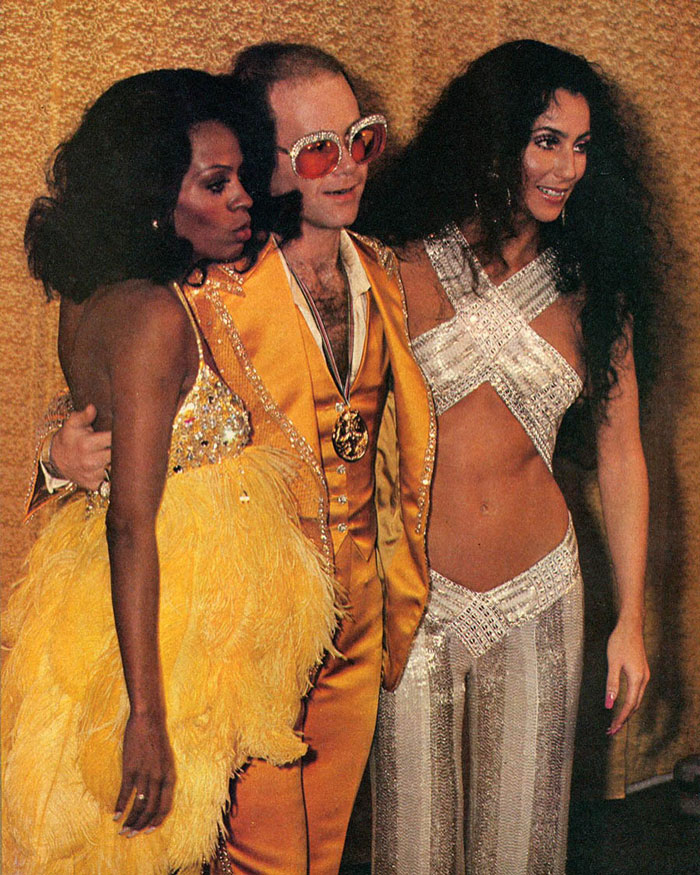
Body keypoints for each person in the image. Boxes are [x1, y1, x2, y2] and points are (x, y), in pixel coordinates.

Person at [21, 44, 435, 875]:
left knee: (321, 855)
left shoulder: (386, 271)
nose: (347, 166)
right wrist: (58, 459)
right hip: (235, 630)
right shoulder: (199, 286)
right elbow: (117, 450)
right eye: (317, 148)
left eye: (363, 139)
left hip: (355, 615)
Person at [360, 40, 655, 874]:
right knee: (411, 853)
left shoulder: (597, 286)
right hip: (413, 603)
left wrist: (630, 619)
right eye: (546, 140)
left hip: (539, 598)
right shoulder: (398, 261)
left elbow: (622, 455)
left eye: (583, 145)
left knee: (522, 855)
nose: (567, 167)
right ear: (492, 140)